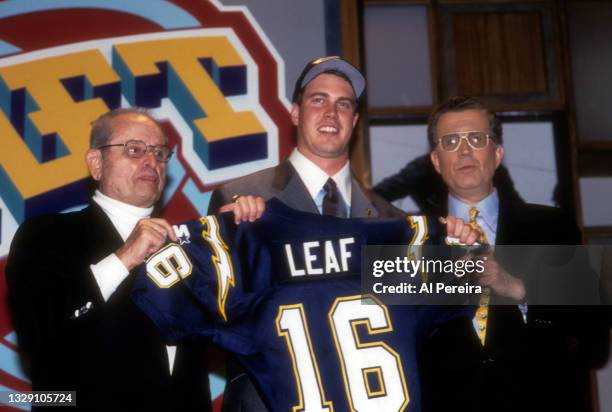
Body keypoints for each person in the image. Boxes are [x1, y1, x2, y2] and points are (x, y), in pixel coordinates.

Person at [208, 58, 479, 412]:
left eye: (344, 104)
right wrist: (234, 238)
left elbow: (416, 325)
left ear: (355, 121)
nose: (331, 113)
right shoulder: (238, 198)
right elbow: (219, 311)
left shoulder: (390, 220)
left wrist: (457, 262)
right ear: (294, 113)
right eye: (318, 100)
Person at [6, 108, 211, 411]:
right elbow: (39, 332)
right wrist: (124, 257)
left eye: (159, 152)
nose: (151, 161)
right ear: (96, 163)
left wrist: (251, 228)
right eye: (133, 149)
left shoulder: (190, 248)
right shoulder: (46, 235)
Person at [418, 95, 602, 412]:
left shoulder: (551, 227)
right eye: (450, 141)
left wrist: (519, 289)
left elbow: (594, 335)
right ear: (436, 160)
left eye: (476, 138)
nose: (464, 151)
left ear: (497, 152)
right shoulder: (414, 239)